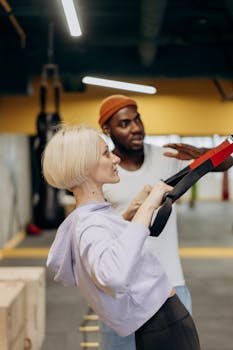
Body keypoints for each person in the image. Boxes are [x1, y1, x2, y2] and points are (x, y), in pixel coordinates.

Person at [42, 124, 201, 350]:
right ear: (84, 166)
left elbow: (110, 247)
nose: (115, 159)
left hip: (157, 323)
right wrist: (149, 206)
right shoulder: (89, 225)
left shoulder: (87, 218)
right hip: (164, 323)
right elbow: (113, 274)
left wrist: (128, 216)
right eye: (106, 153)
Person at [98, 94, 233, 350]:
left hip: (169, 285)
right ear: (107, 129)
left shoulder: (167, 156)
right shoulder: (103, 171)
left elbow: (225, 160)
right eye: (124, 124)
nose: (136, 128)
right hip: (121, 293)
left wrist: (205, 153)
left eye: (137, 119)